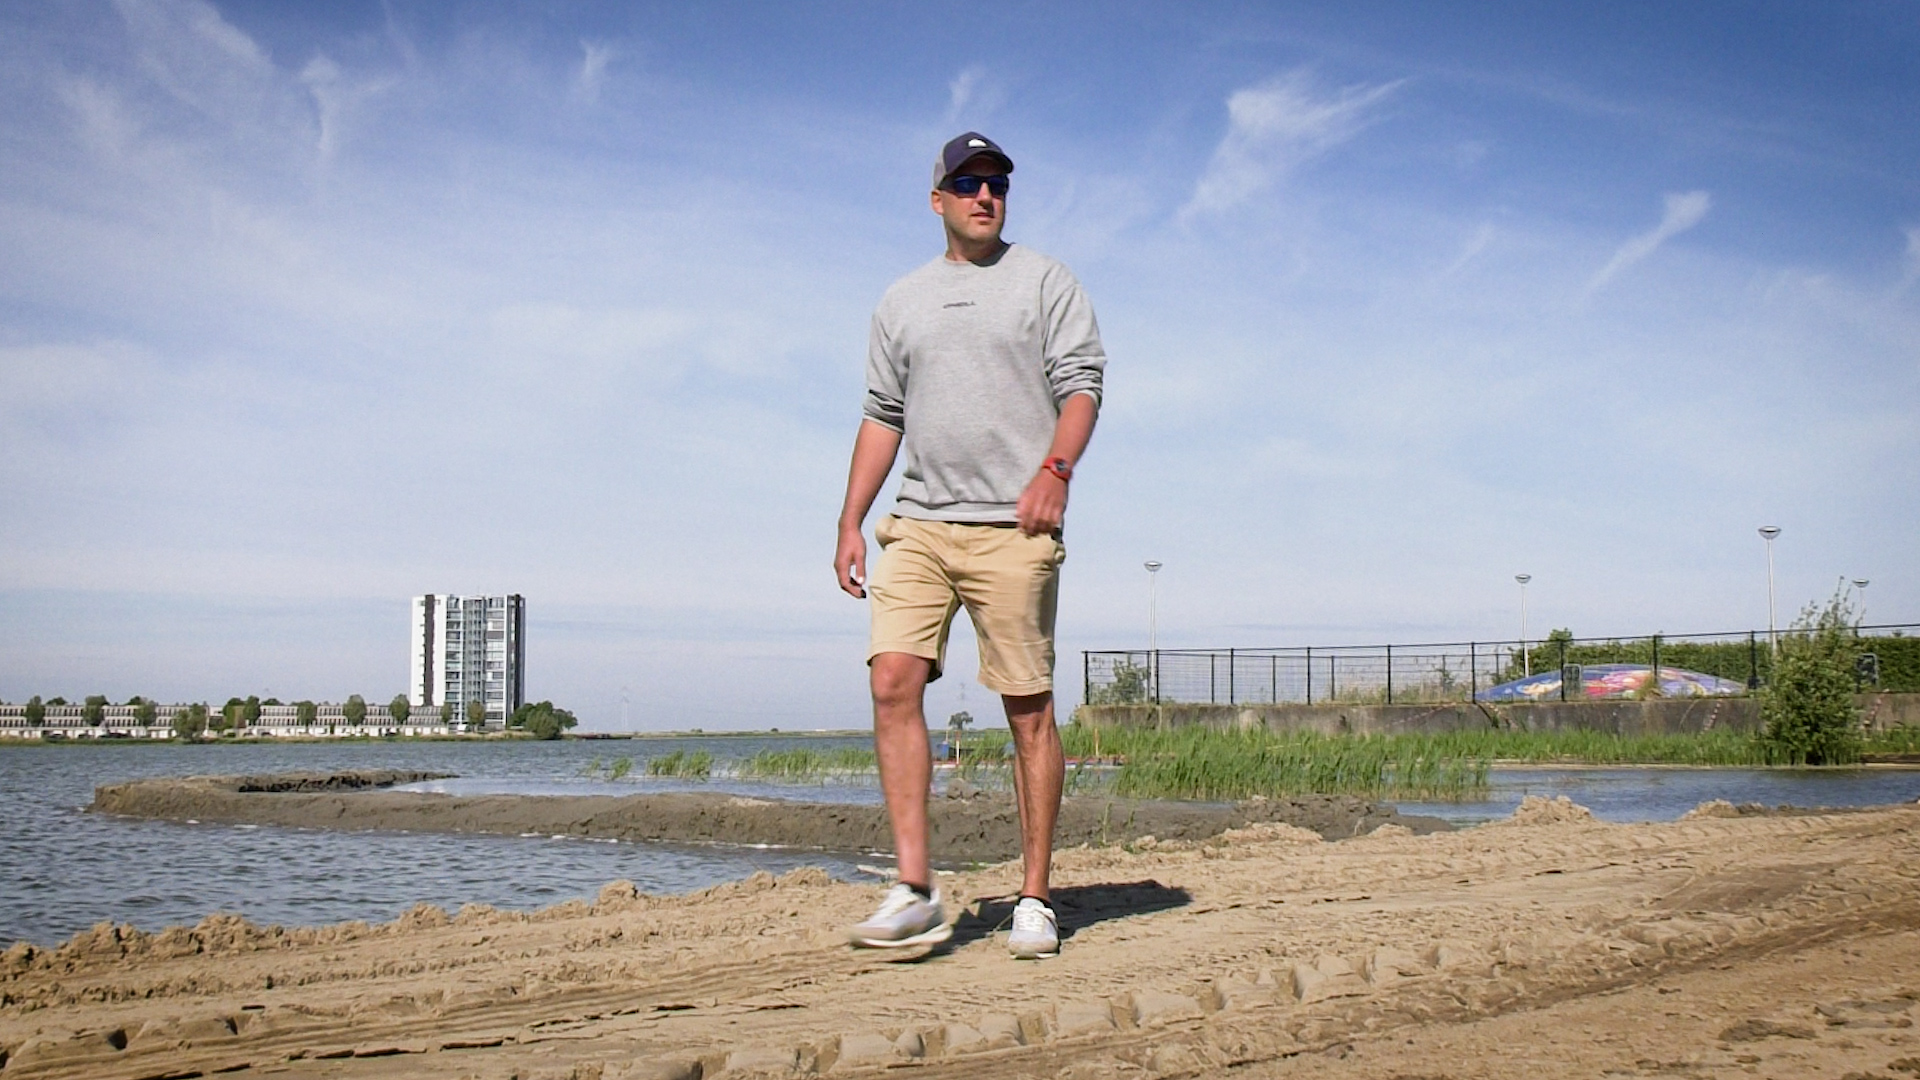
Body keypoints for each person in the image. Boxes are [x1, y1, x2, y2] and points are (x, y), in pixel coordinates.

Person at [833, 132, 1106, 959]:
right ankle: (915, 890)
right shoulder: (901, 302)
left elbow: (1083, 387)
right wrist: (850, 519)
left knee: (1027, 709)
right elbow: (883, 416)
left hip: (1014, 527)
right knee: (892, 680)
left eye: (996, 183)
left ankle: (1034, 897)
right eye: (967, 182)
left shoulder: (1046, 282)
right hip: (918, 522)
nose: (985, 195)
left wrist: (1056, 470)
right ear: (938, 199)